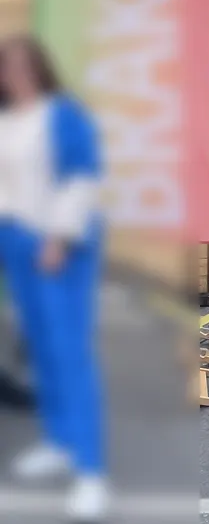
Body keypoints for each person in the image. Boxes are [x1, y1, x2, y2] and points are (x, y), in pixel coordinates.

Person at [0, 37, 108, 521]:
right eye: (7, 66)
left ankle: (90, 471)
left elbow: (83, 178)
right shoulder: (7, 119)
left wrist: (59, 238)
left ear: (40, 68)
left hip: (57, 243)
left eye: (23, 66)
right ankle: (59, 442)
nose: (14, 74)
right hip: (14, 241)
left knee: (68, 352)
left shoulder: (63, 114)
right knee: (41, 348)